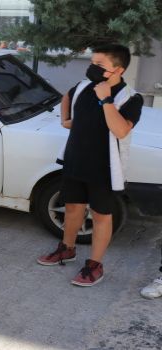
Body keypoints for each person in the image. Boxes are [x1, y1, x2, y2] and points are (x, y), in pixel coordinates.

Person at [37, 44, 143, 287]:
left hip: (104, 167)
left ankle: (95, 265)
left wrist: (106, 99)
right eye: (91, 62)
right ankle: (67, 249)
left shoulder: (130, 98)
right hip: (76, 159)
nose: (91, 68)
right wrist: (66, 121)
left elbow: (121, 130)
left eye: (99, 65)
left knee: (101, 216)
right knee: (73, 207)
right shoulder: (84, 87)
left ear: (119, 69)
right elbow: (67, 96)